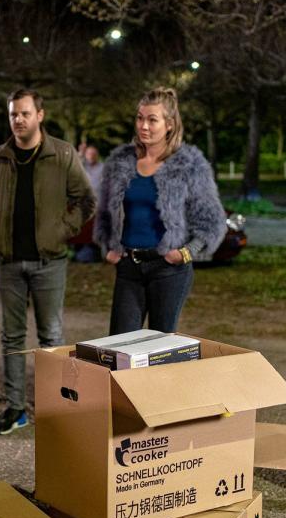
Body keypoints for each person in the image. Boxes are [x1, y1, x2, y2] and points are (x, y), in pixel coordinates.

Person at [0, 88, 95, 435]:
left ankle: (54, 408)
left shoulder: (61, 154)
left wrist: (62, 231)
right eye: (13, 114)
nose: (18, 120)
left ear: (39, 115)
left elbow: (86, 200)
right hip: (8, 262)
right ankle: (15, 409)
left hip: (49, 262)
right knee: (11, 338)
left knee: (51, 337)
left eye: (25, 113)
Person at [95, 87, 225, 335]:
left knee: (160, 350)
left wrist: (186, 253)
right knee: (120, 347)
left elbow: (212, 221)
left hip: (168, 269)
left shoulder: (189, 165)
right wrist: (107, 247)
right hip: (129, 267)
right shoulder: (121, 162)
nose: (143, 125)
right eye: (140, 118)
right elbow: (104, 213)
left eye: (152, 119)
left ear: (169, 124)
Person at [71, 144, 104, 263]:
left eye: (94, 154)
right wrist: (80, 153)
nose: (91, 156)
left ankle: (93, 256)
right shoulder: (82, 166)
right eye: (89, 154)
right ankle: (79, 254)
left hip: (98, 205)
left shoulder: (103, 167)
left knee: (95, 232)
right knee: (81, 231)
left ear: (97, 155)